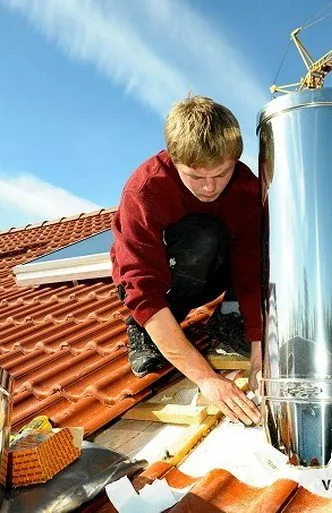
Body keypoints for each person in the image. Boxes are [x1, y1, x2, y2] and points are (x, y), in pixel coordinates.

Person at [110, 95, 262, 425]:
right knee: (202, 235)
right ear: (174, 160)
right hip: (163, 277)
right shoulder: (145, 190)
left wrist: (260, 351)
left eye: (222, 173)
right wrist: (207, 378)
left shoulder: (246, 188)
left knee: (260, 241)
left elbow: (251, 269)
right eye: (195, 176)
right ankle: (143, 329)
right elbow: (141, 286)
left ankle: (228, 317)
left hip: (213, 270)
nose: (209, 187)